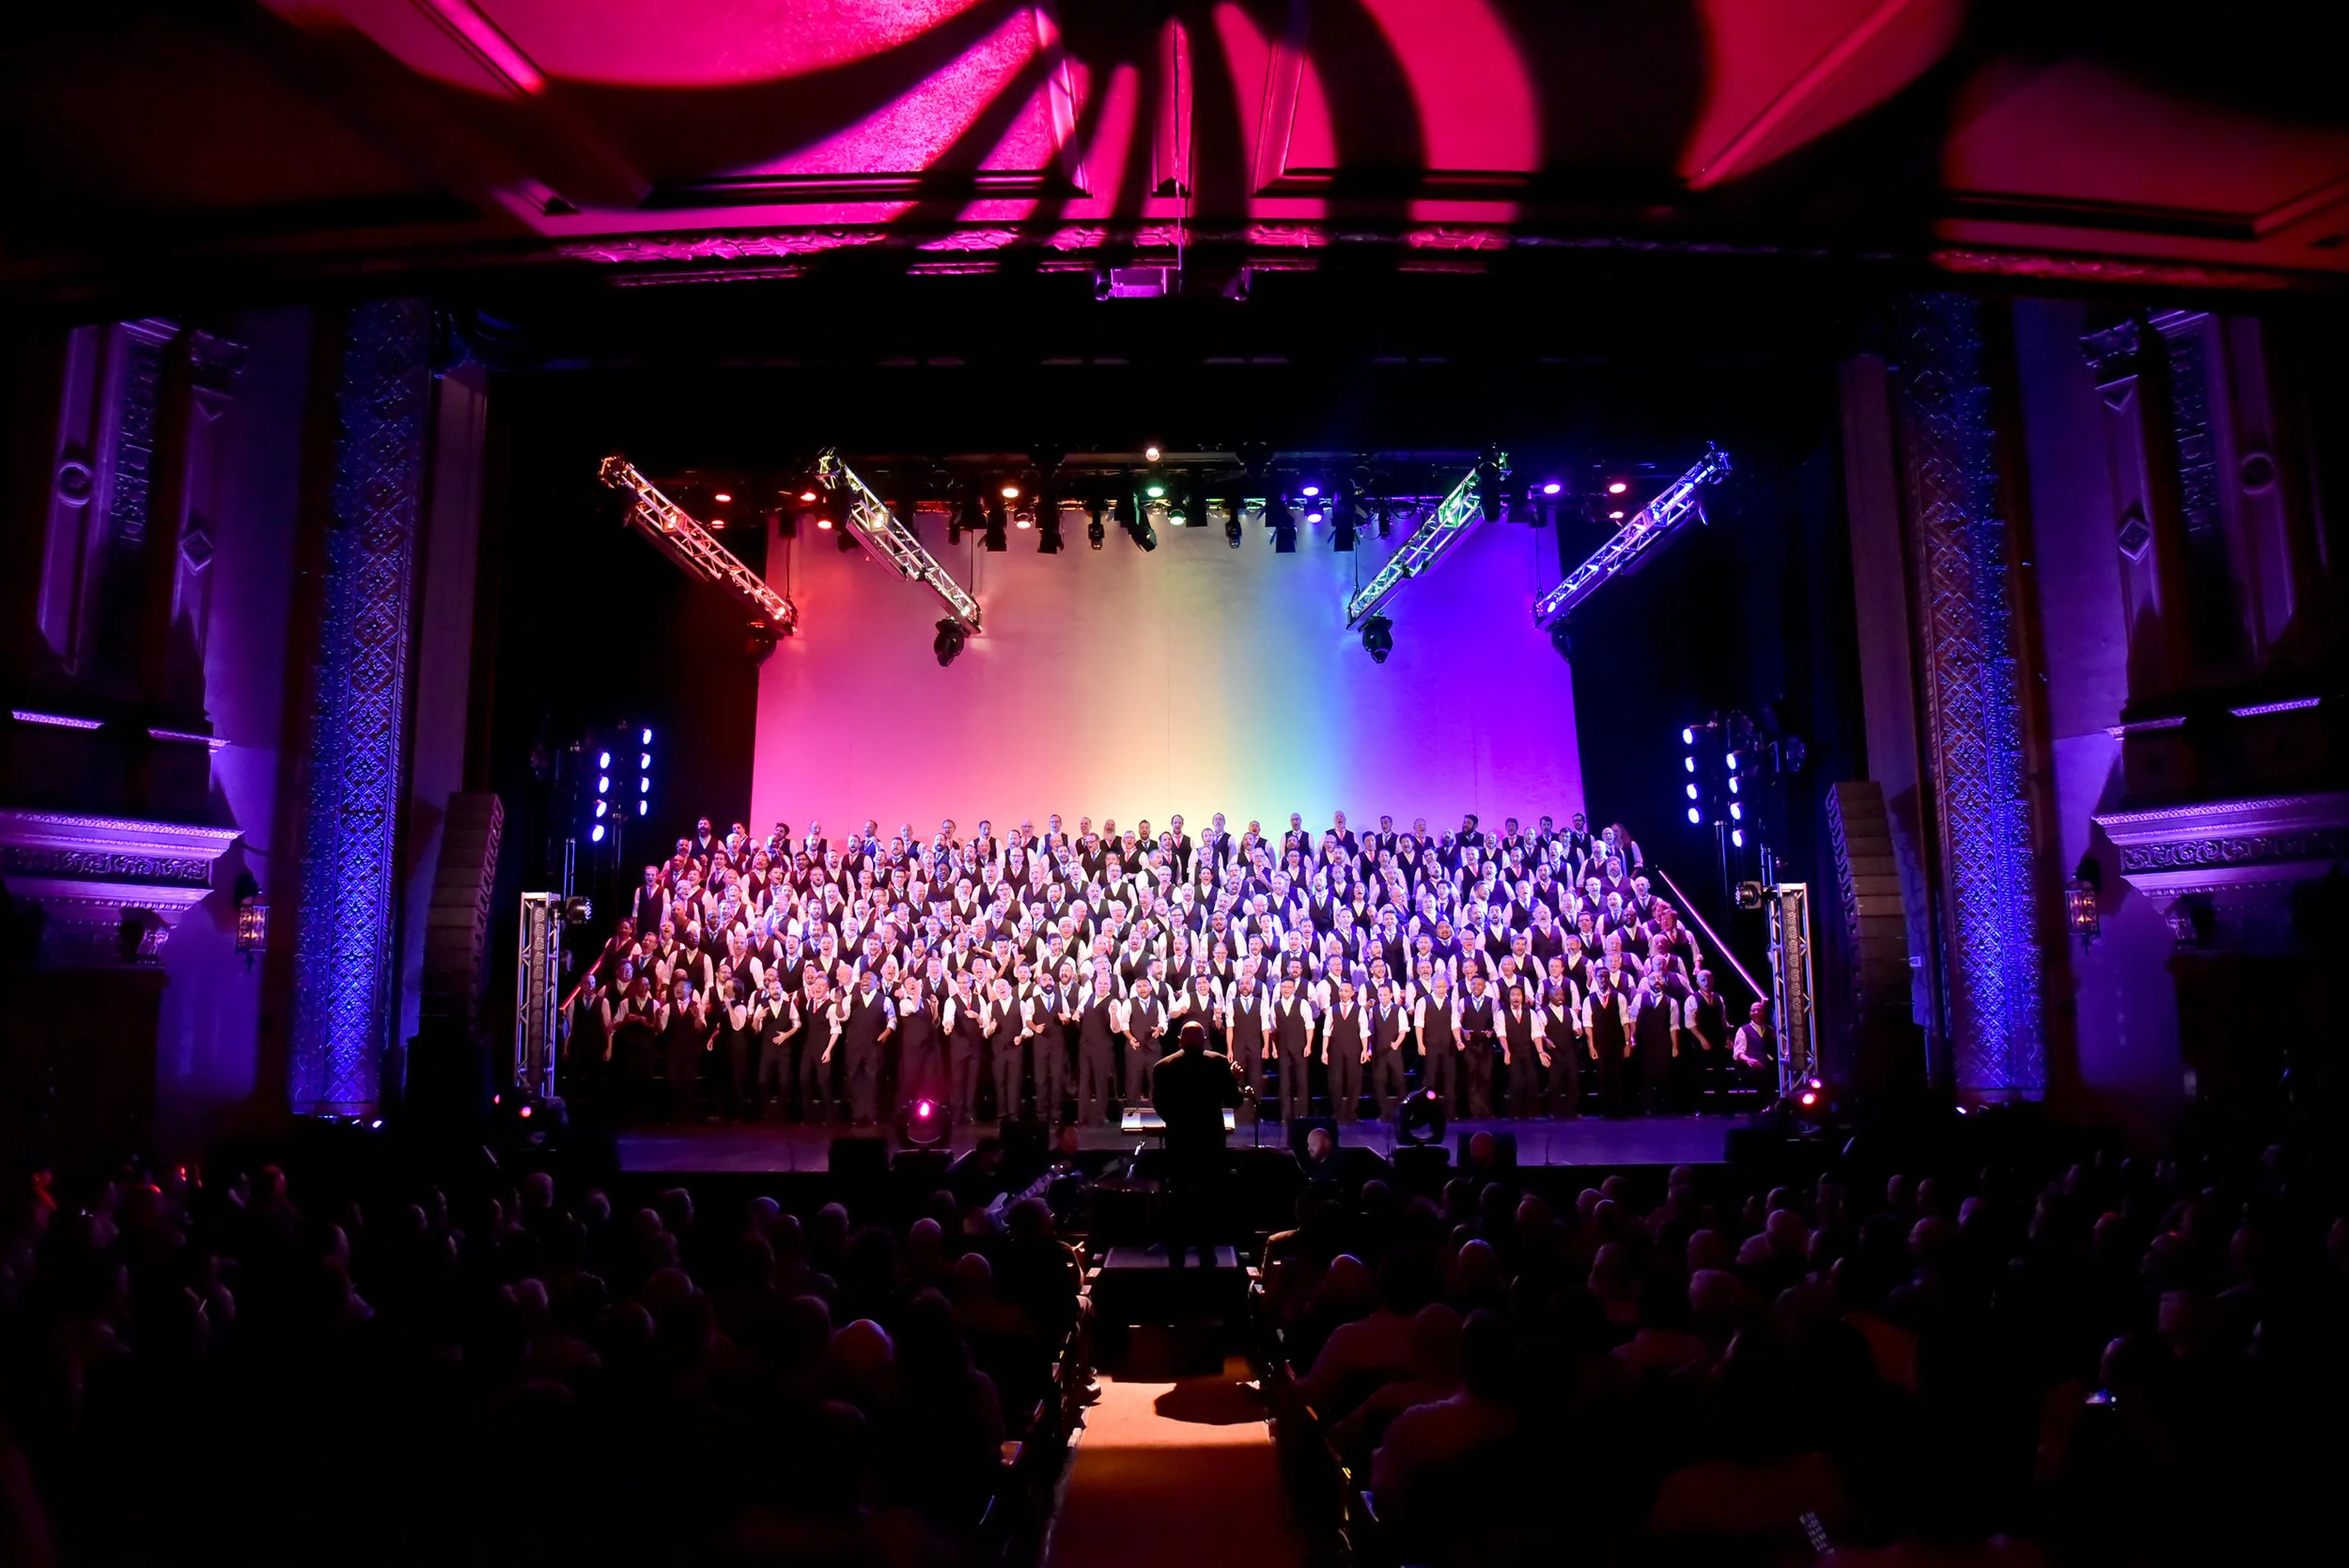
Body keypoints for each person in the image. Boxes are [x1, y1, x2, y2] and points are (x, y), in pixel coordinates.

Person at [1150, 1020, 1240, 1268]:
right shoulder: (1219, 1063)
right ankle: (1207, 1256)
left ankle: (1176, 1258)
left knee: (1178, 1199)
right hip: (1210, 1144)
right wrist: (1235, 1079)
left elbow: (1160, 1106)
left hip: (1179, 1143)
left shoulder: (1163, 1067)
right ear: (1204, 1040)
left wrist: (1178, 1122)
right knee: (1209, 1199)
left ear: (1179, 1040)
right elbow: (1234, 1101)